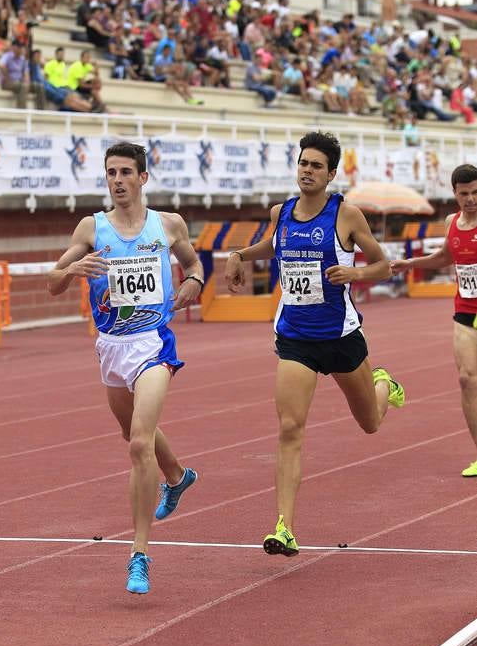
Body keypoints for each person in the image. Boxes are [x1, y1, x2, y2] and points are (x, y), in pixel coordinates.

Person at [224, 131, 406, 557]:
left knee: (370, 423)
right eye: (303, 163)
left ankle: (383, 384)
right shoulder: (281, 212)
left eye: (316, 166)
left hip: (341, 338)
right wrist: (240, 255)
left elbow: (382, 264)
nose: (307, 171)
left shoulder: (346, 216)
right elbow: (275, 245)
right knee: (290, 428)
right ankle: (284, 526)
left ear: (331, 174)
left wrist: (355, 275)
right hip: (296, 338)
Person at [47, 142, 203, 594]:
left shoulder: (167, 224)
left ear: (143, 178)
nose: (117, 180)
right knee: (132, 431)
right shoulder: (92, 228)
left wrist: (192, 281)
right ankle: (177, 476)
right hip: (111, 348)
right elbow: (52, 283)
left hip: (154, 345)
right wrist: (75, 269)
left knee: (138, 443)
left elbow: (192, 262)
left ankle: (139, 554)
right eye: (110, 172)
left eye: (125, 172)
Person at [392, 164, 477, 477]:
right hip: (466, 311)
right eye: (464, 194)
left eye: (476, 193)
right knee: (467, 380)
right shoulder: (451, 221)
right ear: (455, 194)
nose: (471, 199)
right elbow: (446, 256)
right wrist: (411, 263)